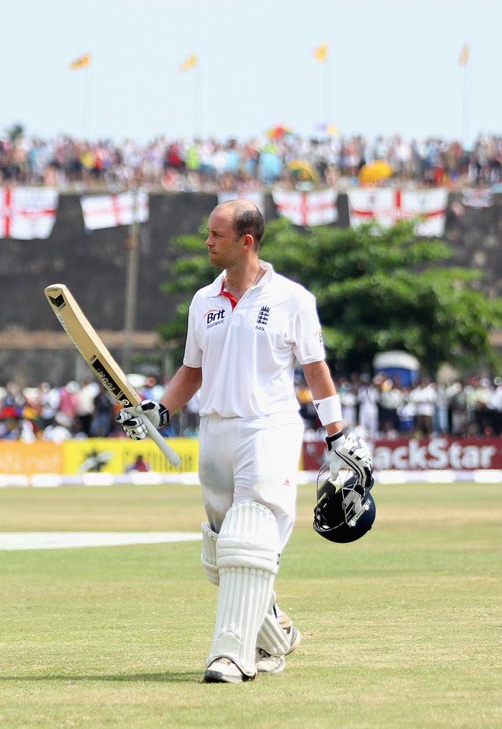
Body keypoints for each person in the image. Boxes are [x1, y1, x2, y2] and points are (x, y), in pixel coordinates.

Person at [114, 199, 372, 684]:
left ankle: (232, 656)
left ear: (246, 241)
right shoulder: (203, 301)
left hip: (267, 427)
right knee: (220, 551)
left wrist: (337, 434)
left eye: (215, 234)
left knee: (248, 535)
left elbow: (315, 369)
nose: (206, 242)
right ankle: (276, 631)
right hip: (215, 431)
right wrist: (159, 411)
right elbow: (192, 371)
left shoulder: (293, 299)